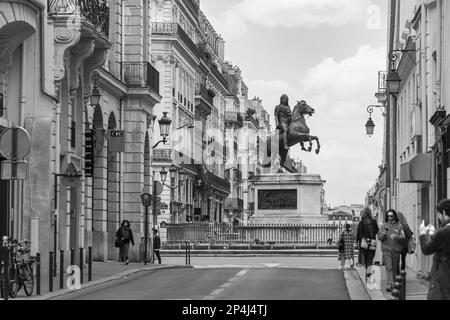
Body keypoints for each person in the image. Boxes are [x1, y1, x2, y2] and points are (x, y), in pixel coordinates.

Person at [419, 199, 450, 300]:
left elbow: (426, 249)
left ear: (443, 213)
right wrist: (434, 234)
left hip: (442, 275)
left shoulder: (443, 232)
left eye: (438, 213)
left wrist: (423, 234)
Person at [377, 209, 405, 292]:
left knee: (395, 268)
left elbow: (403, 238)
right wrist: (383, 233)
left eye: (391, 216)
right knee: (389, 267)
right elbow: (379, 237)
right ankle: (389, 285)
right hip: (386, 250)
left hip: (396, 250)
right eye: (388, 216)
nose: (390, 217)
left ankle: (394, 283)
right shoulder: (383, 225)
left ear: (394, 216)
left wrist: (396, 237)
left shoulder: (399, 226)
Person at [356, 207, 379, 278]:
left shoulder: (361, 222)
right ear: (370, 213)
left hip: (364, 242)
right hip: (372, 242)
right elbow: (377, 231)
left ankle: (367, 272)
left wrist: (357, 242)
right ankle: (368, 273)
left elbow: (359, 233)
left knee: (366, 259)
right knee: (370, 258)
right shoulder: (374, 221)